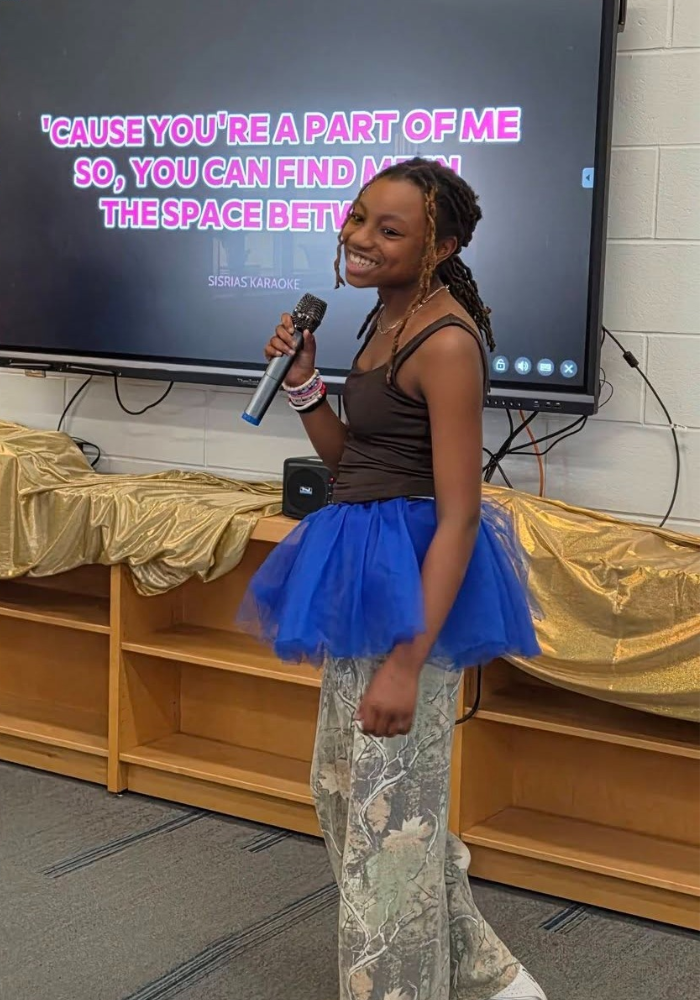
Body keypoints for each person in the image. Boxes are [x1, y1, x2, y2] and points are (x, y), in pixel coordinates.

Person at [241, 158, 546, 1000]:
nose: (360, 237)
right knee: (346, 794)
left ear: (440, 247)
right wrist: (304, 384)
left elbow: (457, 512)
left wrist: (410, 661)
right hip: (366, 578)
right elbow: (356, 469)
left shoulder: (444, 341)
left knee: (390, 826)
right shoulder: (381, 318)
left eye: (390, 229)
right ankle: (488, 976)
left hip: (418, 593)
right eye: (358, 216)